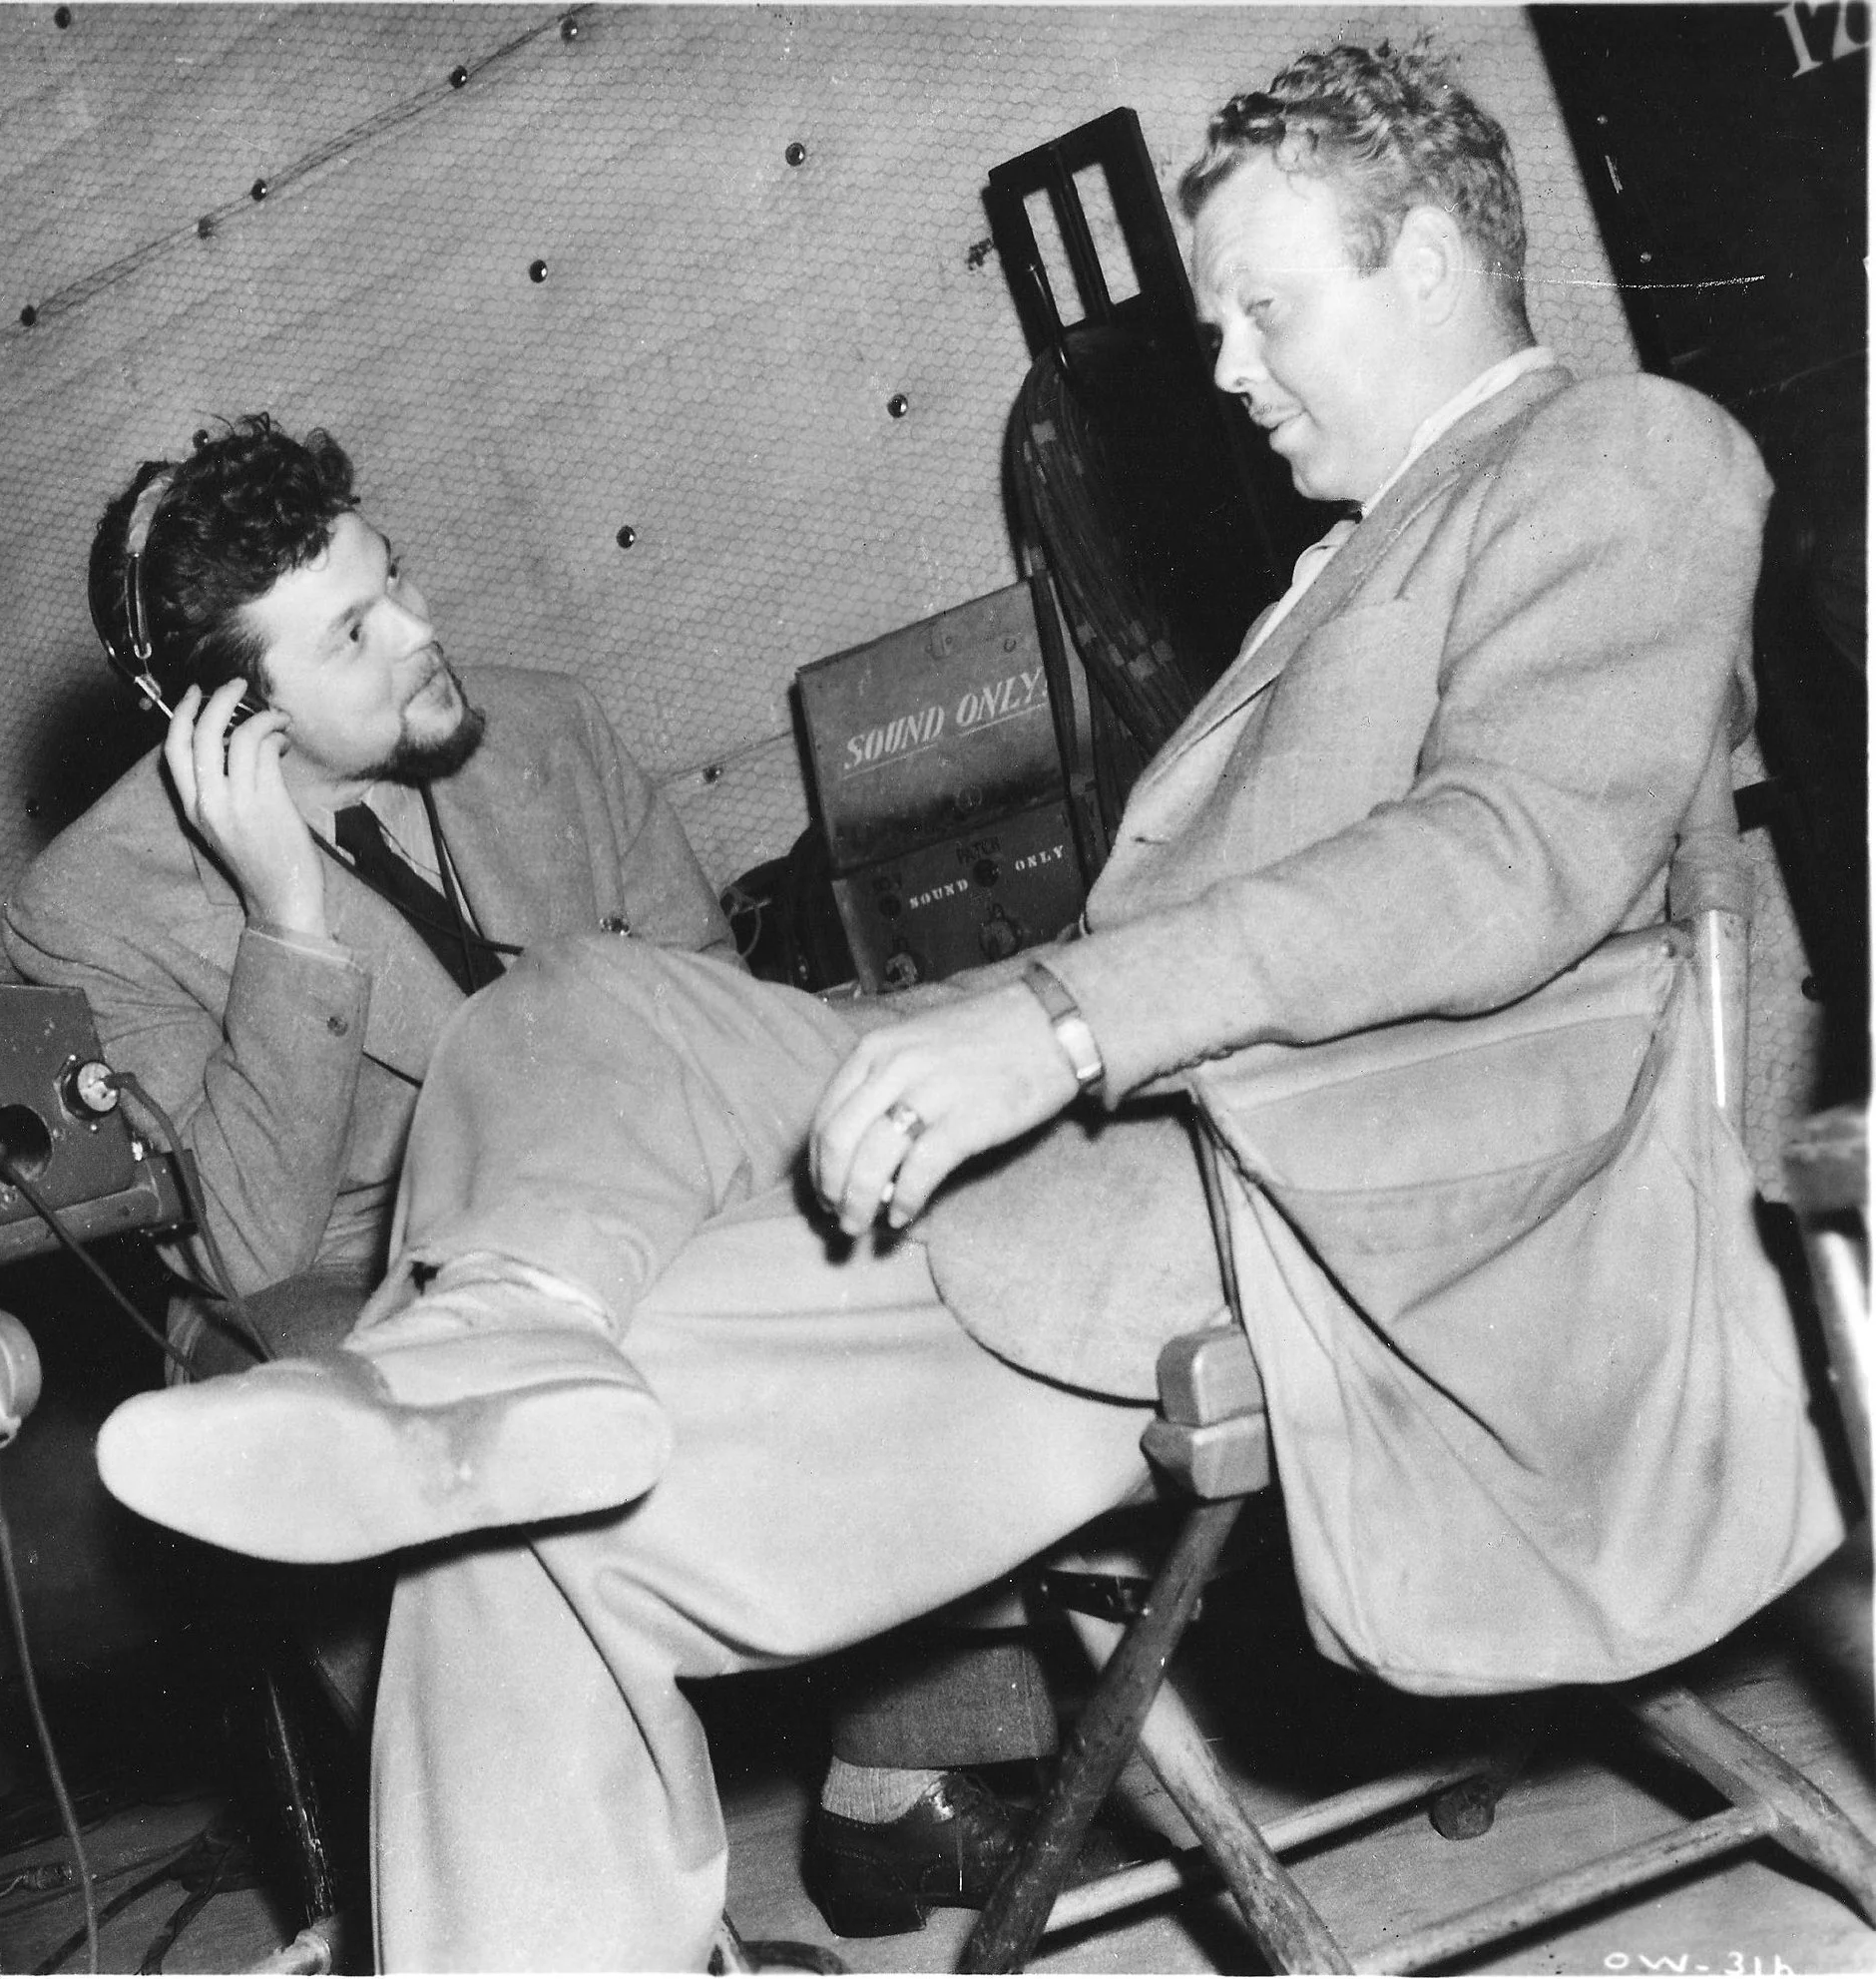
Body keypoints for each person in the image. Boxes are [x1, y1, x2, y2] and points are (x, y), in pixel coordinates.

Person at [93, 38, 1844, 1958]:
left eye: (1265, 310)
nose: (1230, 370)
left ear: (1429, 260)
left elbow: (1504, 857)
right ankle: (503, 1336)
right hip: (1150, 1129)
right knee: (576, 1006)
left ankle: (503, 1406)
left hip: (1296, 1186)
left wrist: (1066, 1022)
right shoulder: (1360, 548)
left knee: (505, 1561)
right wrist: (1033, 1018)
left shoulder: (1620, 452)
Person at [6, 416, 1063, 1932]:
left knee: (878, 1198)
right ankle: (589, 1908)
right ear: (221, 715)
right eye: (356, 635)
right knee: (351, 1390)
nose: (423, 633)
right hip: (357, 1262)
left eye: (398, 578)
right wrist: (285, 922)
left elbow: (717, 1019)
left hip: (656, 1165)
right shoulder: (92, 908)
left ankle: (901, 1778)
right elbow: (237, 1242)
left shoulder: (547, 729)